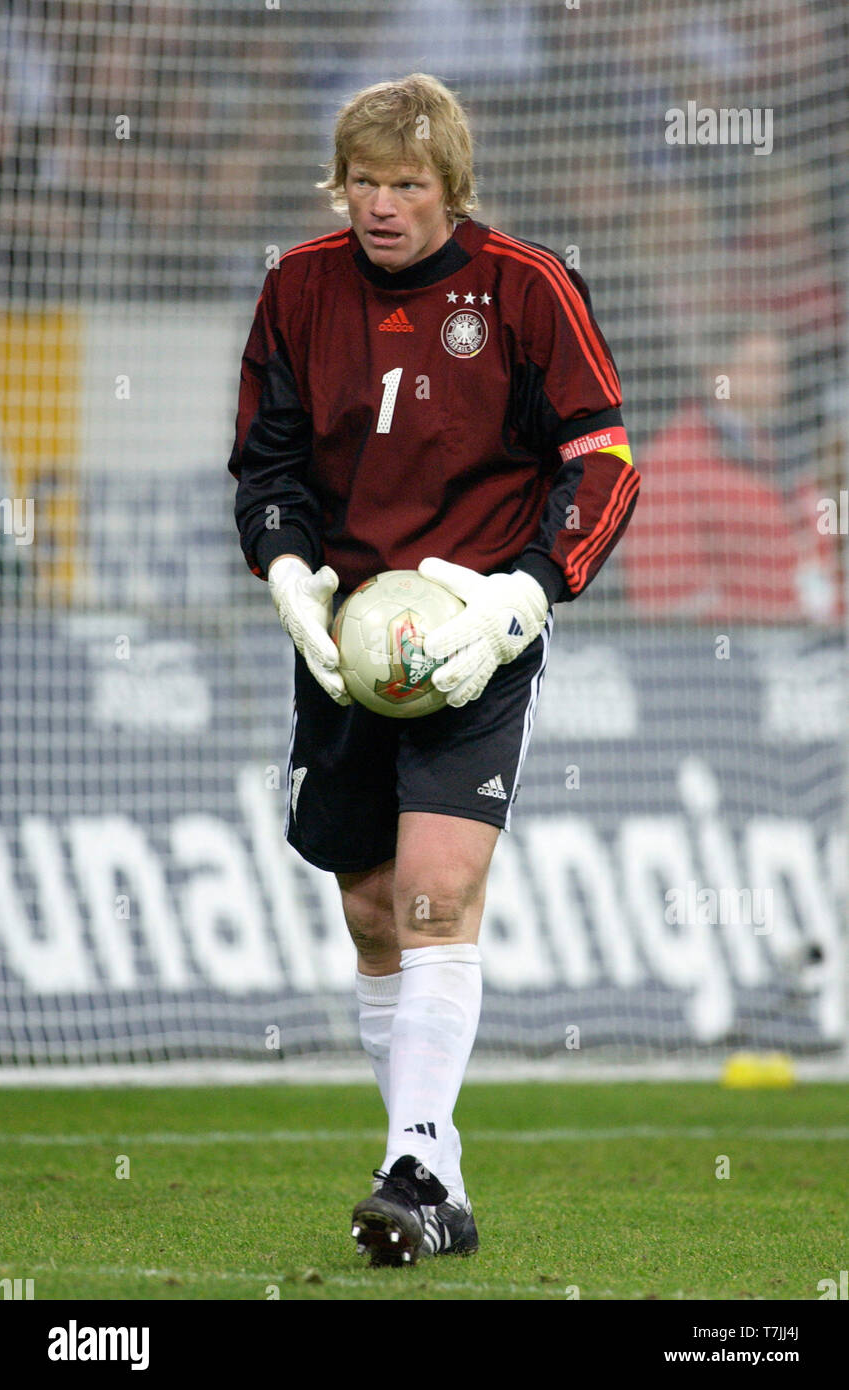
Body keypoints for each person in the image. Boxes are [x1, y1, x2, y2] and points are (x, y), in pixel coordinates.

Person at [228, 73, 640, 1267]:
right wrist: (289, 572)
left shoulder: (524, 287)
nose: (382, 205)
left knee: (435, 893)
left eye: (406, 184)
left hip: (473, 634)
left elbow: (601, 456)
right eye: (363, 181)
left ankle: (408, 1160)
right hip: (350, 638)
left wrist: (525, 594)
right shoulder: (297, 287)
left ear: (449, 186)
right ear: (339, 184)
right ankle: (436, 1175)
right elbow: (267, 463)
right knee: (368, 910)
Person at [622, 323, 842, 624]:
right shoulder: (673, 462)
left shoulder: (778, 453)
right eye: (760, 369)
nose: (776, 383)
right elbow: (666, 594)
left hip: (804, 641)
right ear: (718, 374)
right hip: (726, 653)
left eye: (779, 370)